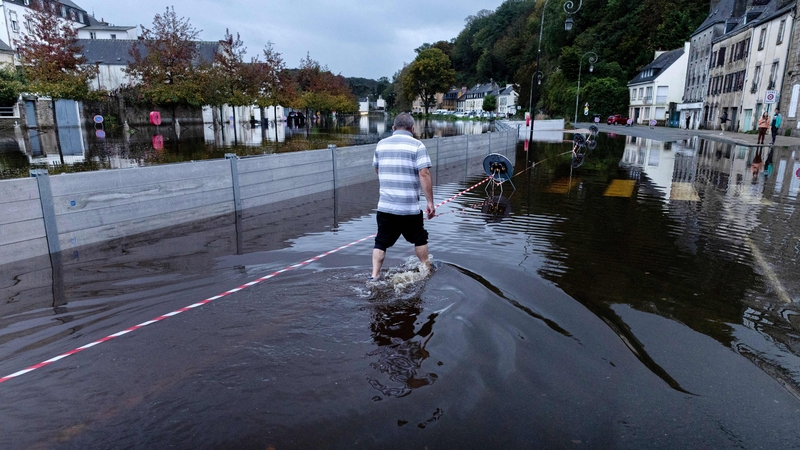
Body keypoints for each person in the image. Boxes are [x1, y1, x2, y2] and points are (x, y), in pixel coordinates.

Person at [371, 113, 435, 281]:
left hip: (385, 206)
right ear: (412, 129)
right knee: (420, 239)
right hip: (409, 208)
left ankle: (374, 277)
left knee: (381, 242)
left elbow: (378, 169)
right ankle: (426, 270)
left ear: (393, 128)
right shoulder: (417, 145)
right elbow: (424, 173)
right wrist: (430, 202)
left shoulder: (381, 145)